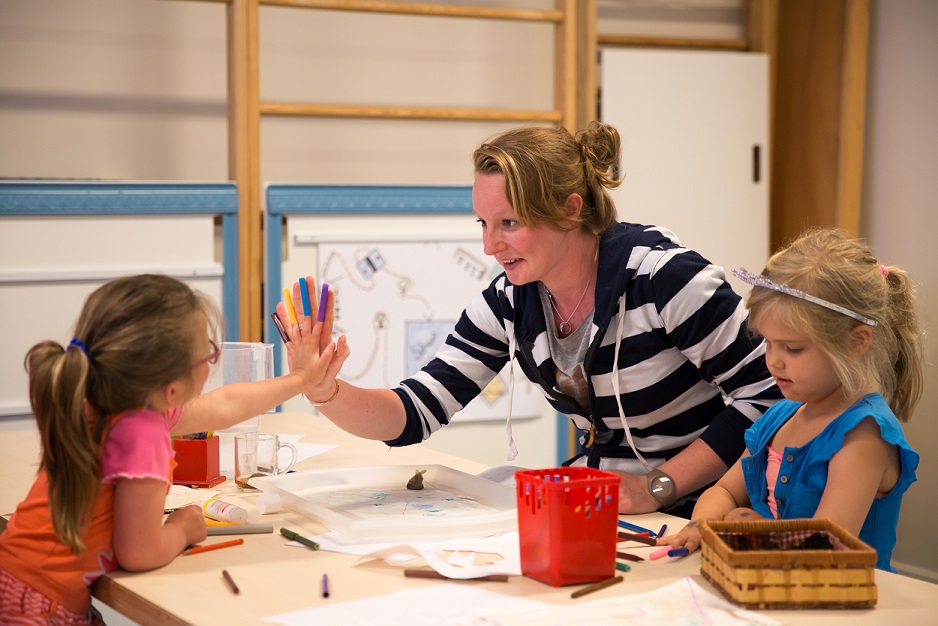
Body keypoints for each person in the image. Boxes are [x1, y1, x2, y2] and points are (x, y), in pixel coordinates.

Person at [283, 121, 781, 517]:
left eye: (509, 223)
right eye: (483, 223)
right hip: (613, 509)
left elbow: (769, 395)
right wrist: (324, 388)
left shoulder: (666, 278)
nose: (489, 246)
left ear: (569, 210)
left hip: (705, 509)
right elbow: (414, 413)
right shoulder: (511, 298)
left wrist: (659, 486)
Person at [0, 274, 322, 625]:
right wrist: (183, 528)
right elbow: (139, 552)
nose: (211, 362)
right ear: (170, 389)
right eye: (209, 355)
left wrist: (302, 379)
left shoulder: (107, 402)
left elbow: (226, 404)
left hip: (17, 583)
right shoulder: (144, 433)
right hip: (36, 610)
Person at [658, 228, 924, 571]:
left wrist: (749, 527)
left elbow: (829, 549)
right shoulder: (780, 417)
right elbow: (722, 492)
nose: (774, 361)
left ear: (857, 341)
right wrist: (701, 525)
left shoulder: (863, 435)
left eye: (793, 349)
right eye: (768, 343)